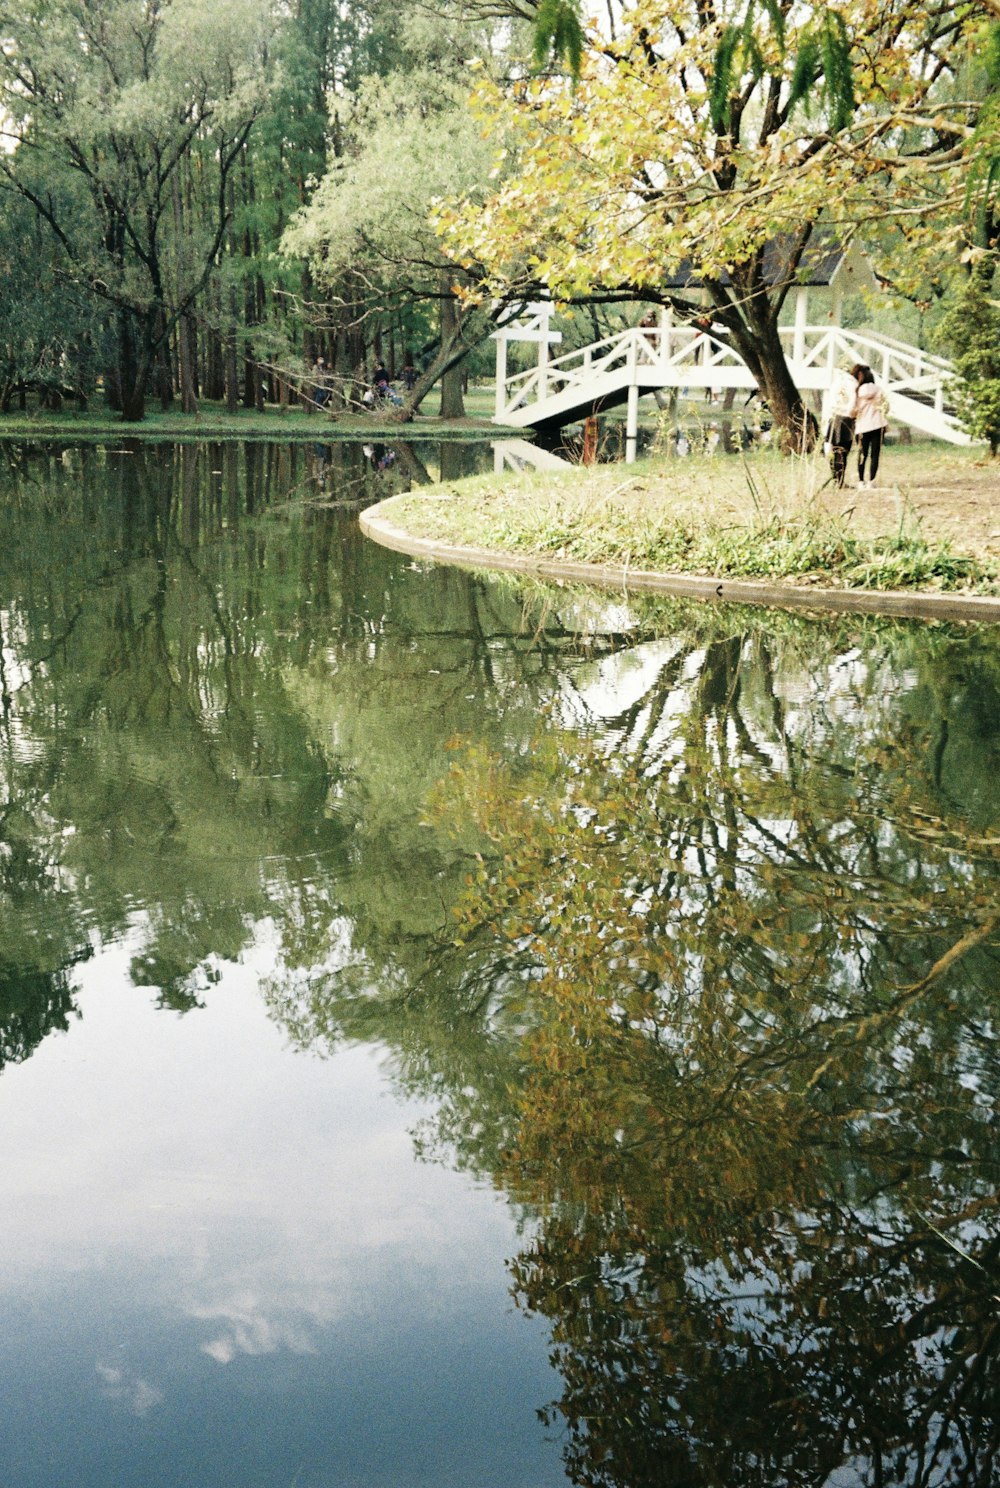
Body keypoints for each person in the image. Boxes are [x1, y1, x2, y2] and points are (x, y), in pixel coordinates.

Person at [853, 365, 889, 487]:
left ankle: (861, 481)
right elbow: (886, 407)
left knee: (862, 454)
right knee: (875, 454)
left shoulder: (856, 391)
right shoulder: (879, 390)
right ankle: (871, 481)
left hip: (862, 426)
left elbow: (854, 409)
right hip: (878, 425)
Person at [825, 368, 859, 487]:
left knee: (834, 450)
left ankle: (835, 479)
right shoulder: (854, 384)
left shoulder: (835, 383)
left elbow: (830, 403)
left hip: (834, 418)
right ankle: (840, 481)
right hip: (846, 419)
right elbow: (853, 406)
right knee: (843, 451)